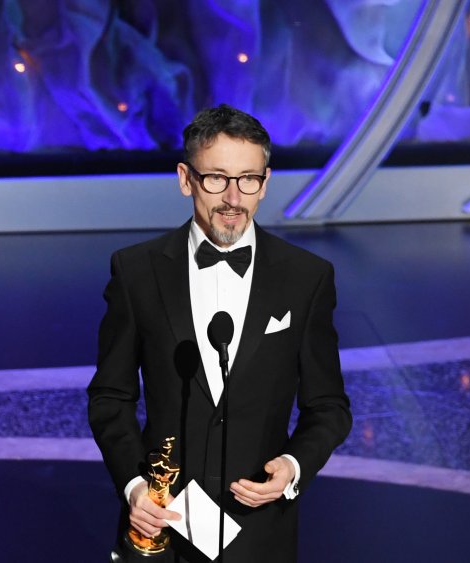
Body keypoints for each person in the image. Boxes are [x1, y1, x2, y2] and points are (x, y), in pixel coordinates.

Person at [87, 104, 351, 562]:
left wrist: (291, 468)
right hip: (160, 525)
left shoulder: (307, 277)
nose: (233, 197)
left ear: (265, 183)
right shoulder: (135, 271)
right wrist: (134, 487)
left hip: (259, 534)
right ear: (186, 179)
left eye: (248, 179)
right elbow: (110, 397)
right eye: (217, 178)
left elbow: (328, 407)